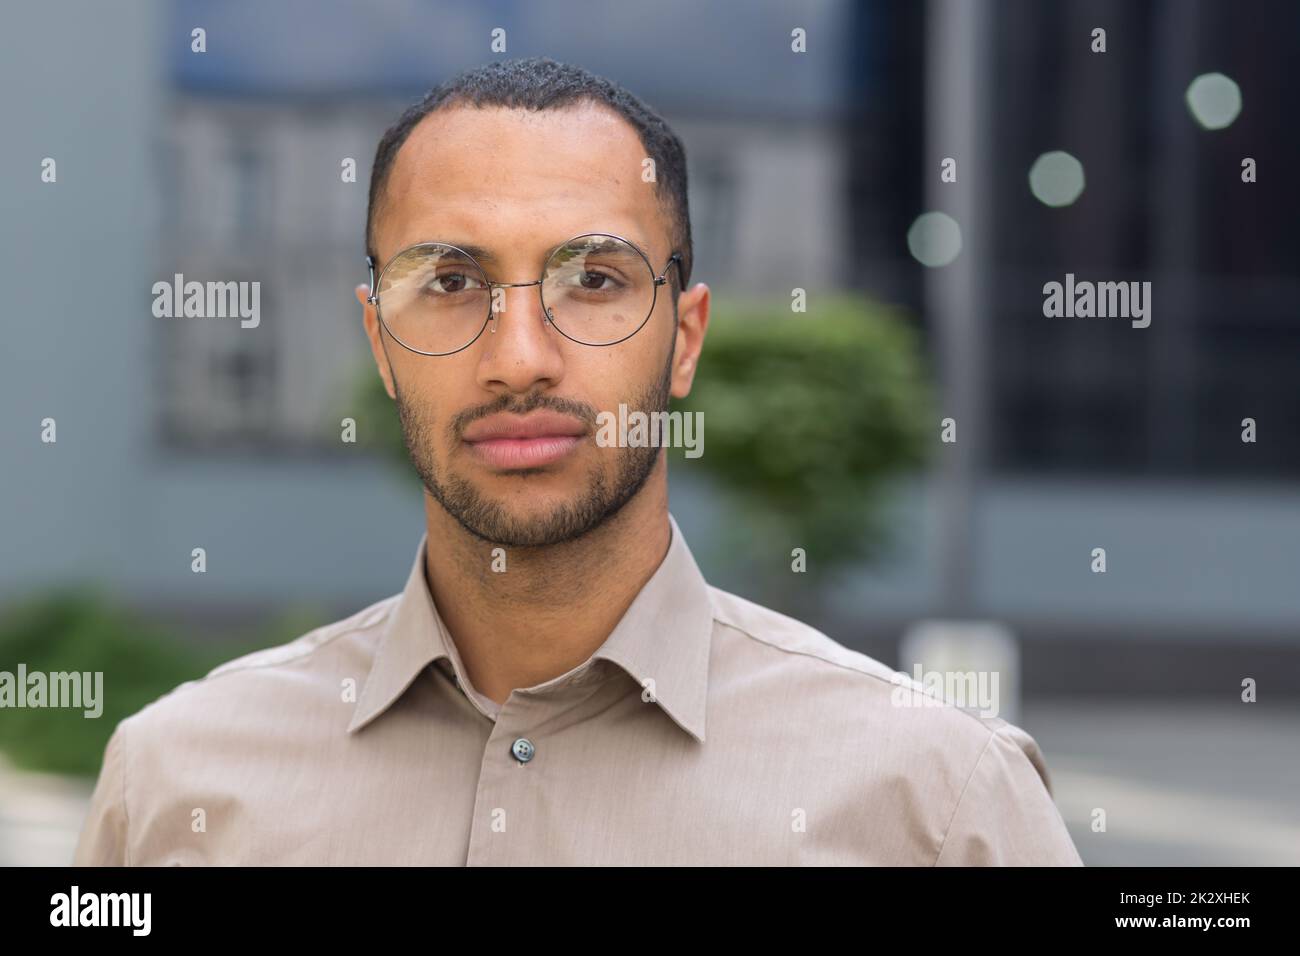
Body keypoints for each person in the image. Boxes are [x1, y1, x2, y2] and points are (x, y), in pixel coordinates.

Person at [74, 57, 1082, 866]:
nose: (519, 359)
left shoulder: (940, 804)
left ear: (684, 339)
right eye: (453, 280)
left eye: (594, 279)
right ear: (380, 341)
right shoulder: (175, 778)